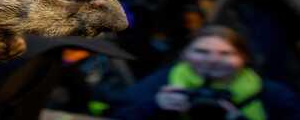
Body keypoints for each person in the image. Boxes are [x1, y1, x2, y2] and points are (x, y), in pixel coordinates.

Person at [112, 25, 300, 120]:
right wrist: (155, 106)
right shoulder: (161, 82)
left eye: (226, 53)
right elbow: (116, 116)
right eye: (202, 52)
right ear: (185, 54)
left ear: (244, 58)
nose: (212, 60)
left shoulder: (272, 93)